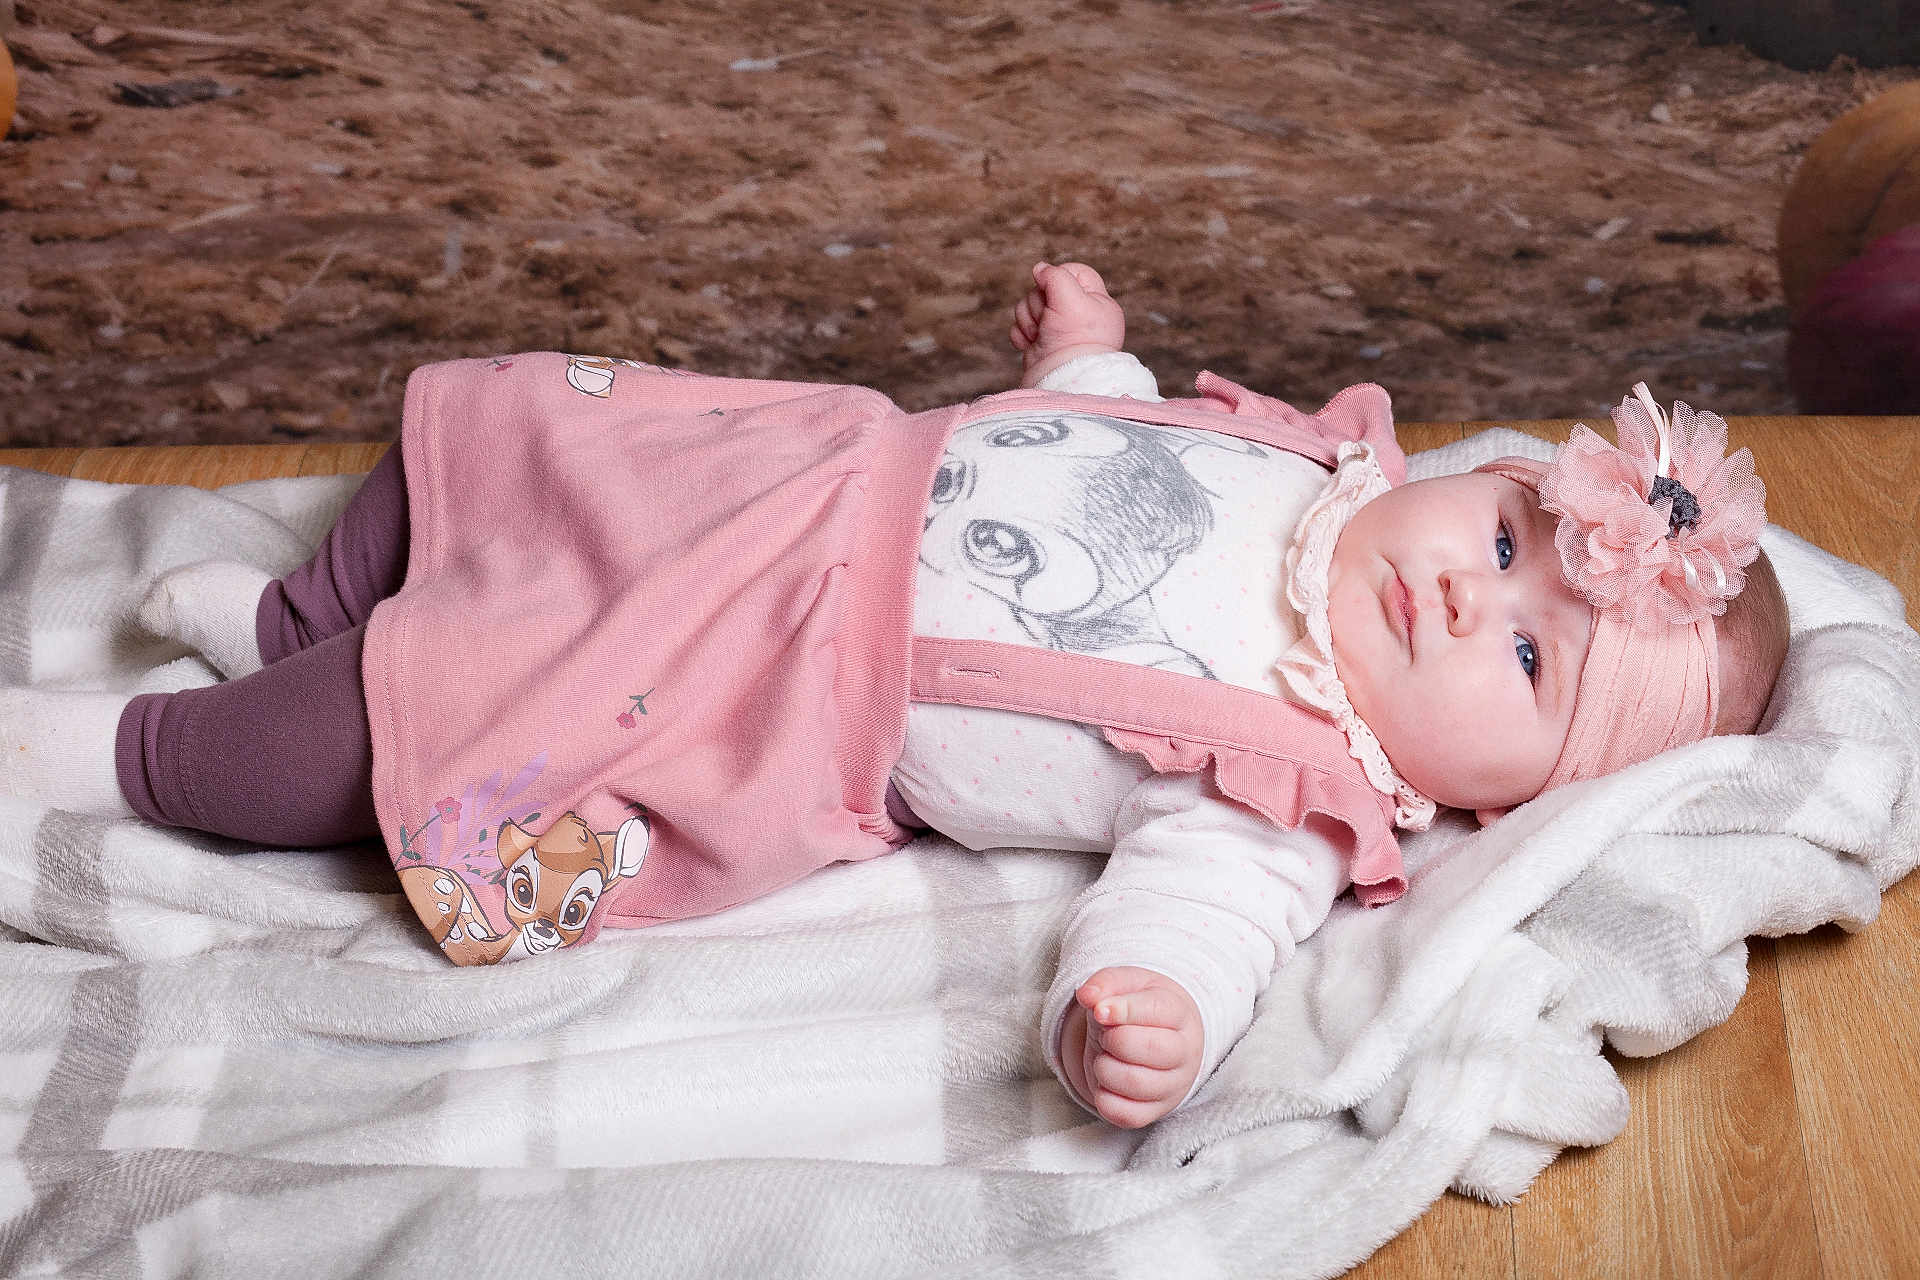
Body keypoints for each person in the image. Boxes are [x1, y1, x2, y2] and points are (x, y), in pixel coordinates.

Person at [0, 263, 1790, 1129]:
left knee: (406, 741)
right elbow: (1115, 433)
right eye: (1508, 531)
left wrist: (1142, 1004)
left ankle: (130, 755)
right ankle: (303, 608)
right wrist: (1079, 346)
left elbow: (1202, 913)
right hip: (762, 474)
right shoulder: (1309, 465)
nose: (1470, 587)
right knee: (495, 448)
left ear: (1497, 801)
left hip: (745, 678)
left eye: (1531, 656)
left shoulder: (1288, 778)